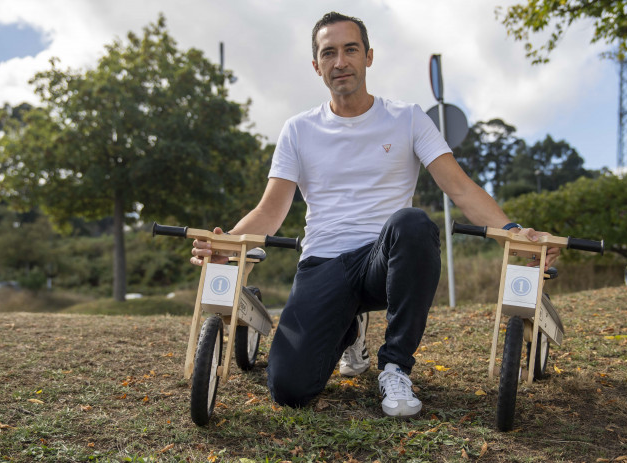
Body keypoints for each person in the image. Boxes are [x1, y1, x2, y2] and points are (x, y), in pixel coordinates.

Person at [191, 11, 560, 417]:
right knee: (289, 390)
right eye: (328, 53)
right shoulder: (298, 129)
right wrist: (226, 246)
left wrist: (514, 231)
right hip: (323, 263)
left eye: (350, 50)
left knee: (414, 222)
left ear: (368, 56)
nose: (340, 61)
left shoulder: (407, 118)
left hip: (383, 261)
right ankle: (348, 328)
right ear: (317, 66)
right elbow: (270, 210)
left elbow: (459, 187)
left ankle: (396, 366)